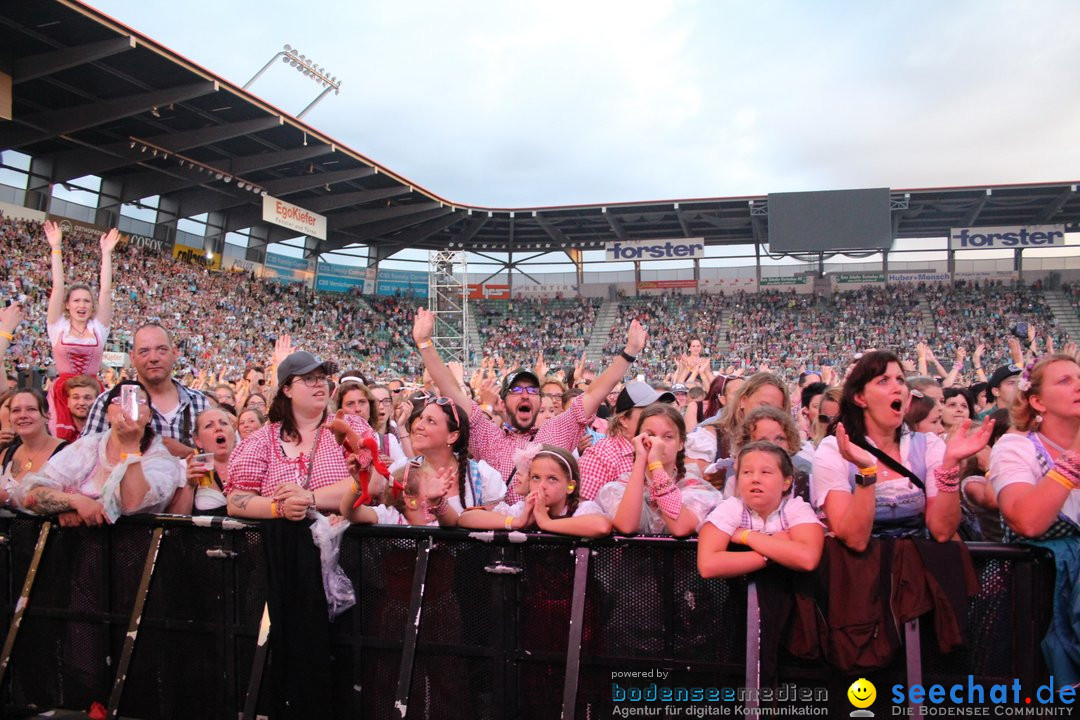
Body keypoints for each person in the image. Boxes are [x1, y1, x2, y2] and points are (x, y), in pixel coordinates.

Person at [414, 307, 647, 492]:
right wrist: (424, 343)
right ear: (503, 404)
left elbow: (595, 393)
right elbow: (451, 390)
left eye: (533, 391)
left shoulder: (557, 431)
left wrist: (629, 352)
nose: (526, 395)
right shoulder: (486, 435)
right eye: (517, 390)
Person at [811, 351, 993, 551]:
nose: (897, 387)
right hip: (862, 574)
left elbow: (942, 531)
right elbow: (855, 539)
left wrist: (950, 464)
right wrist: (867, 472)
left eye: (900, 380)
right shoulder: (834, 450)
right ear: (860, 398)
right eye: (883, 381)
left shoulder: (928, 446)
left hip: (919, 569)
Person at [226, 351, 373, 521]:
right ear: (287, 390)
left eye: (322, 377)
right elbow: (236, 502)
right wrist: (279, 508)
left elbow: (375, 482)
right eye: (309, 378)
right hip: (283, 544)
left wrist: (309, 497)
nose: (319, 384)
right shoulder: (261, 440)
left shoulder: (349, 425)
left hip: (345, 543)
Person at [18, 381, 185, 525]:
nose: (128, 407)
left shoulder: (160, 458)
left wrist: (130, 447)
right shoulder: (87, 447)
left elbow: (134, 505)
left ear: (150, 416)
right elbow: (32, 496)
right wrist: (75, 503)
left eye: (139, 401)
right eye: (120, 400)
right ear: (107, 415)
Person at [697, 442, 824, 578]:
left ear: (786, 482)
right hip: (741, 596)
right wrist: (776, 552)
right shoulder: (730, 509)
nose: (755, 479)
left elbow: (808, 559)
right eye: (747, 472)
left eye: (766, 472)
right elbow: (708, 566)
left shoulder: (796, 508)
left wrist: (747, 536)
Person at [81, 324, 209, 457]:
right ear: (132, 357)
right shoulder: (110, 402)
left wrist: (189, 453)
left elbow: (218, 459)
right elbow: (83, 458)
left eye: (162, 350)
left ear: (175, 353)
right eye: (144, 352)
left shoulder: (199, 402)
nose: (153, 358)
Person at [989, 354, 1080, 540]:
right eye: (1064, 381)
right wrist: (1075, 454)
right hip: (1045, 567)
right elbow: (1027, 523)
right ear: (1038, 402)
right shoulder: (1016, 448)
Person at [43, 222, 119, 442]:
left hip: (93, 392)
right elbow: (58, 286)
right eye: (76, 300)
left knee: (95, 441)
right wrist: (55, 247)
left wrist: (106, 253)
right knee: (62, 441)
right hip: (63, 393)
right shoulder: (58, 326)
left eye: (86, 301)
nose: (82, 305)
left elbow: (105, 291)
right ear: (67, 304)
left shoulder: (98, 329)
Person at [596, 403, 719, 537]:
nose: (658, 443)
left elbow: (680, 528)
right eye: (650, 435)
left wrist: (656, 465)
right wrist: (641, 458)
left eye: (668, 437)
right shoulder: (622, 485)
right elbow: (627, 527)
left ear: (681, 443)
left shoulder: (693, 485)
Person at [382, 394, 505, 513]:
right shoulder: (400, 471)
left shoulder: (483, 476)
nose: (418, 426)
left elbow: (492, 529)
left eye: (430, 421)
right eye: (421, 418)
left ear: (452, 436)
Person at [458, 444, 610, 536]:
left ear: (570, 486)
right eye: (536, 478)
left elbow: (602, 526)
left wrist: (545, 522)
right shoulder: (523, 510)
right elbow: (466, 518)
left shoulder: (580, 509)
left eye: (552, 479)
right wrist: (517, 521)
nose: (542, 486)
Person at [579, 382, 675, 501]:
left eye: (659, 410)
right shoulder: (601, 456)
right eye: (648, 412)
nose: (656, 417)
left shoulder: (667, 447)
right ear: (624, 420)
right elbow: (583, 510)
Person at [686, 372, 789, 475]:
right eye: (763, 405)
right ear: (743, 401)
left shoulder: (785, 443)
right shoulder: (710, 437)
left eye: (777, 410)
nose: (770, 413)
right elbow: (688, 483)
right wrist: (707, 476)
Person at [0, 389, 67, 508]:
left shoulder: (67, 452)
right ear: (10, 418)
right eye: (16, 410)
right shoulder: (6, 454)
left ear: (47, 415)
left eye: (31, 409)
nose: (23, 415)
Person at [171, 407, 237, 516]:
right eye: (209, 425)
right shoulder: (188, 467)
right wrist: (190, 485)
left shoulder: (251, 463)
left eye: (224, 423)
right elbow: (175, 525)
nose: (218, 428)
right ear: (198, 440)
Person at [64, 374, 99, 438]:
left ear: (97, 401)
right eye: (76, 397)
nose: (81, 403)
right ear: (68, 401)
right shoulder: (55, 432)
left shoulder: (105, 433)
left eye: (87, 398)